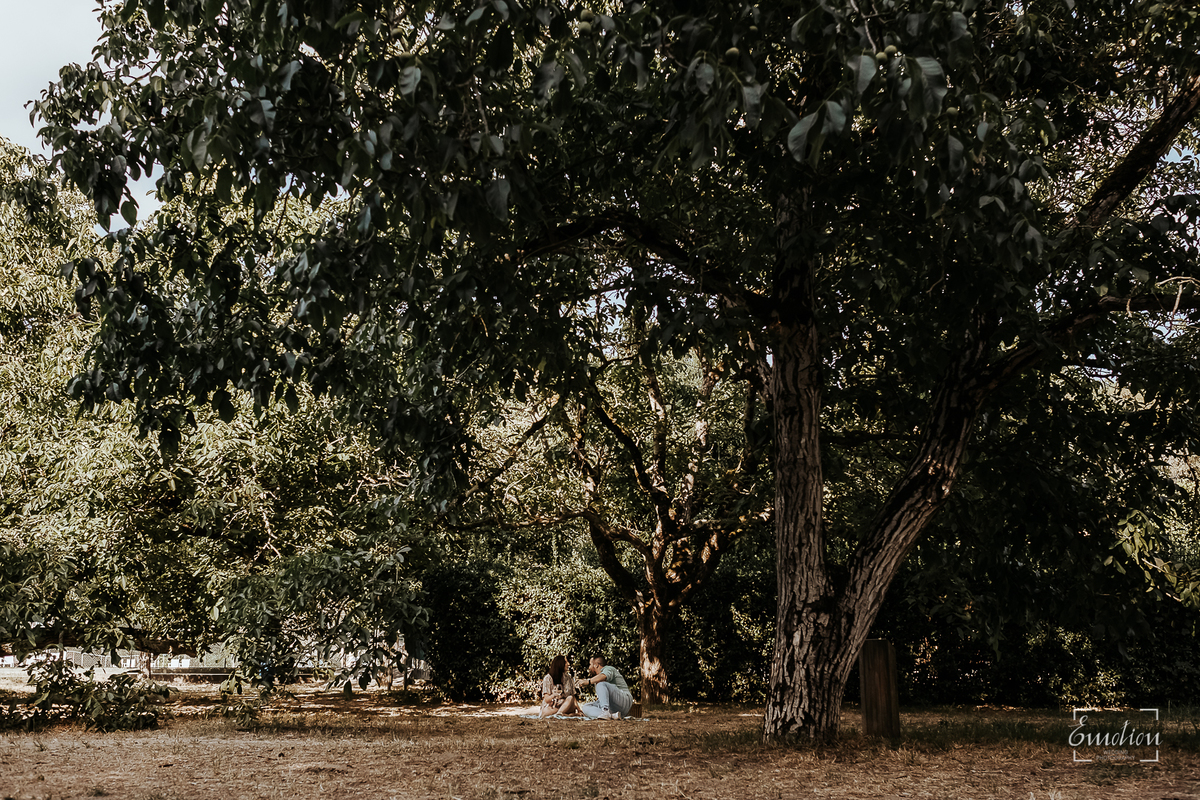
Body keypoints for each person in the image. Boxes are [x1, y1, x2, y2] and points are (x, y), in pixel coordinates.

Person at [579, 654, 633, 719]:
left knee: (601, 684)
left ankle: (605, 712)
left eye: (590, 664)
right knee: (586, 707)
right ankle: (612, 715)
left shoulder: (608, 669)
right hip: (613, 707)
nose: (589, 667)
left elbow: (604, 676)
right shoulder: (598, 679)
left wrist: (588, 681)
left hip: (624, 700)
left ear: (596, 665)